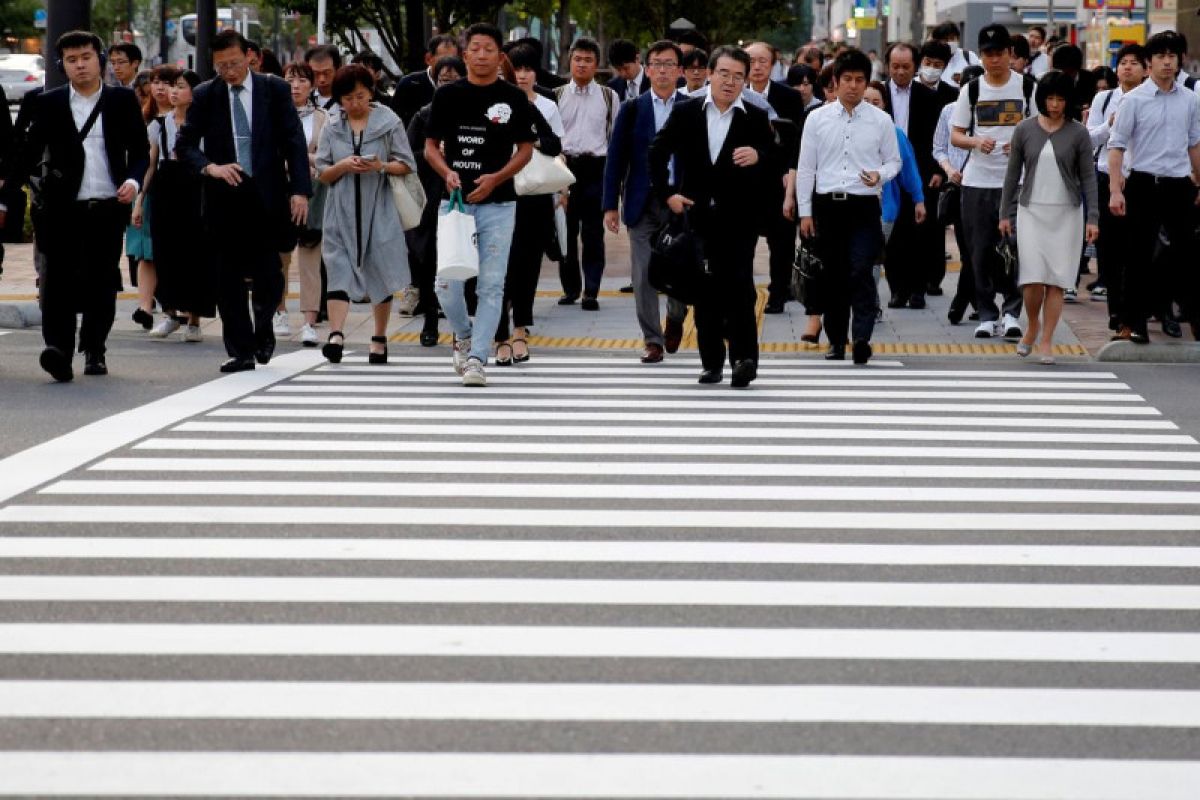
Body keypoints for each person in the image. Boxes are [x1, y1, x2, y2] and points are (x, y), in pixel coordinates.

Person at [6, 30, 148, 381]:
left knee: (101, 282)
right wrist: (10, 186)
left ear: (99, 59)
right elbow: (27, 154)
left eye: (86, 57)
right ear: (62, 65)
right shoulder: (48, 102)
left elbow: (140, 151)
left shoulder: (121, 101)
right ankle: (59, 351)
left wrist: (132, 182)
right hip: (59, 208)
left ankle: (94, 348)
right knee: (56, 283)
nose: (80, 65)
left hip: (106, 206)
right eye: (71, 60)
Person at [176, 29, 311, 373]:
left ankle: (263, 329)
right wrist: (210, 168)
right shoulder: (207, 94)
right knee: (228, 278)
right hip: (224, 196)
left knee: (269, 274)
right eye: (221, 66)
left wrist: (299, 189)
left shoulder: (274, 89)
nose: (229, 71)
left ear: (249, 56)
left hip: (267, 194)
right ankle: (241, 350)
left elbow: (294, 141)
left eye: (234, 63)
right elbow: (185, 144)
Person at [649, 45, 777, 387]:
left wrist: (759, 156)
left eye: (738, 76)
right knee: (705, 290)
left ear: (745, 80)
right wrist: (668, 195)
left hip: (740, 220)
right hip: (697, 218)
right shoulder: (687, 111)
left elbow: (777, 160)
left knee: (739, 287)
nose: (730, 82)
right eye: (724, 73)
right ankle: (711, 363)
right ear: (709, 73)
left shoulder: (755, 116)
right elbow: (656, 152)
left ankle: (744, 359)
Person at [424, 22, 535, 387]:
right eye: (476, 48)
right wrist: (447, 172)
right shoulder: (448, 95)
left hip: (499, 204)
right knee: (445, 284)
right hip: (454, 202)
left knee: (491, 285)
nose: (482, 54)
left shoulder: (514, 97)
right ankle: (463, 333)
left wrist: (496, 179)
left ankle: (476, 359)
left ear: (499, 54)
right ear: (465, 52)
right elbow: (430, 147)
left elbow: (525, 150)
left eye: (489, 48)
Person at [792, 49, 901, 366]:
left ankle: (863, 338)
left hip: (864, 206)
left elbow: (894, 161)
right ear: (835, 82)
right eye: (847, 79)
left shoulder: (881, 120)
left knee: (861, 269)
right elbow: (806, 168)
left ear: (867, 82)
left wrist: (879, 175)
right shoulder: (817, 118)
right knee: (833, 275)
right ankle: (837, 341)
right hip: (827, 206)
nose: (853, 86)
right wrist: (805, 212)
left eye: (860, 80)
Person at [314, 64, 416, 366]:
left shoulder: (389, 121)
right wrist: (344, 165)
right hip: (340, 209)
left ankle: (379, 337)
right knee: (337, 267)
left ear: (370, 93)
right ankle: (336, 335)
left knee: (379, 268)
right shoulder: (332, 126)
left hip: (379, 206)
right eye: (347, 98)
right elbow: (323, 172)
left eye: (359, 96)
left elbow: (407, 163)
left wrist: (380, 166)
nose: (354, 103)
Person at [1000, 71, 1099, 364]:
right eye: (1050, 98)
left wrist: (1092, 218)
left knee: (1057, 280)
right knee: (1031, 279)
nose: (1055, 104)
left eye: (1060, 99)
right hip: (1031, 211)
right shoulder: (1024, 129)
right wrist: (1005, 212)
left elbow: (1088, 178)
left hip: (1067, 213)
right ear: (1041, 99)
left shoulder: (1078, 132)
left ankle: (1046, 340)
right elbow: (1012, 175)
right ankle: (1032, 325)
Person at [1107, 31, 1200, 343]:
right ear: (1149, 63)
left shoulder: (1191, 100)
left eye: (1173, 56)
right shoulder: (1133, 100)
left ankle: (1189, 319)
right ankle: (1134, 324)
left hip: (1179, 185)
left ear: (1180, 60)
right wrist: (1116, 190)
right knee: (1137, 256)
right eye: (1160, 56)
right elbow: (1116, 147)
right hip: (1144, 183)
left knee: (1187, 255)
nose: (1167, 62)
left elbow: (1195, 145)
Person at [604, 40, 690, 363]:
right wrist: (610, 205)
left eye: (670, 64)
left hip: (679, 200)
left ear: (680, 71)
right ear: (647, 68)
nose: (663, 70)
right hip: (641, 200)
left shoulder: (691, 107)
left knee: (681, 269)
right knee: (642, 273)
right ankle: (652, 339)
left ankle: (676, 318)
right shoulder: (632, 109)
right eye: (657, 64)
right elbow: (616, 159)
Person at [950, 23, 1035, 341]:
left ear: (1010, 54)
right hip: (977, 182)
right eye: (987, 54)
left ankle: (1013, 312)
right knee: (979, 251)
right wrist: (975, 141)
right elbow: (956, 134)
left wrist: (1023, 143)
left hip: (1017, 184)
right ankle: (986, 314)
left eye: (999, 53)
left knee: (1015, 249)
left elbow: (1043, 128)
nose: (993, 60)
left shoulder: (1027, 88)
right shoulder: (970, 90)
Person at [494, 44, 564, 366]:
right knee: (496, 269)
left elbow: (553, 143)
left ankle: (520, 329)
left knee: (526, 267)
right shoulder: (466, 105)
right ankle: (498, 336)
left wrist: (529, 141)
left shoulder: (520, 103)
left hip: (530, 197)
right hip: (491, 194)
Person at [143, 68, 214, 343]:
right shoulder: (158, 125)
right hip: (165, 189)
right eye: (172, 86)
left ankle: (194, 320)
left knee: (196, 252)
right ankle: (170, 314)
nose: (174, 92)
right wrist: (139, 202)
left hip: (196, 188)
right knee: (165, 252)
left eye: (181, 86)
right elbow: (150, 165)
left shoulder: (205, 125)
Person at [880, 41, 946, 308]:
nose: (900, 72)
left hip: (921, 172)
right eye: (895, 66)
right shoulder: (877, 95)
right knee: (893, 232)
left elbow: (938, 139)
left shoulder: (929, 97)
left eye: (906, 67)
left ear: (915, 67)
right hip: (886, 173)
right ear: (888, 66)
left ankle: (918, 289)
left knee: (921, 231)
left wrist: (937, 171)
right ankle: (898, 289)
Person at [406, 55, 466, 348]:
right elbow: (407, 156)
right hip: (431, 199)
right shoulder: (424, 115)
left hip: (468, 197)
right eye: (443, 80)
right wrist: (435, 153)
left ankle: (461, 325)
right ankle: (430, 319)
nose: (449, 84)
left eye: (455, 79)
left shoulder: (476, 113)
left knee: (464, 262)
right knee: (431, 261)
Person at [555, 38, 618, 309]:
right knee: (564, 232)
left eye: (588, 60)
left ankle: (591, 291)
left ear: (596, 64)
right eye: (577, 59)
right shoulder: (556, 95)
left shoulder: (608, 96)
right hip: (563, 168)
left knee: (593, 234)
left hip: (596, 168)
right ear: (570, 61)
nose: (582, 64)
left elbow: (615, 137)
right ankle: (570, 289)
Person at [1086, 44, 1146, 330]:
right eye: (1123, 62)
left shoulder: (1150, 99)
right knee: (1109, 249)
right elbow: (1089, 139)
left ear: (1145, 69)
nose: (1127, 67)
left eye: (1134, 62)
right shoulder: (1104, 98)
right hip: (1105, 177)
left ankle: (1139, 311)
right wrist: (1111, 124)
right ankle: (1115, 310)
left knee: (1138, 247)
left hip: (1139, 178)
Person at [745, 41, 806, 314]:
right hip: (743, 182)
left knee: (780, 243)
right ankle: (742, 291)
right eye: (751, 61)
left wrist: (790, 176)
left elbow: (796, 142)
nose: (756, 67)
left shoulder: (788, 97)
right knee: (741, 240)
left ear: (773, 64)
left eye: (762, 61)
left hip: (778, 181)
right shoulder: (734, 94)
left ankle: (778, 293)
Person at [278, 61, 329, 347]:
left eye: (301, 80)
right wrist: (299, 162)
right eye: (290, 80)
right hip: (280, 191)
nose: (295, 86)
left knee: (311, 257)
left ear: (311, 85)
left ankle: (310, 320)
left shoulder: (324, 117)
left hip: (315, 192)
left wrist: (306, 163)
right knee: (280, 257)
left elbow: (329, 155)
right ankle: (280, 311)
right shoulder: (275, 115)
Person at [935, 63, 984, 325]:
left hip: (987, 187)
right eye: (968, 85)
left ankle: (963, 302)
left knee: (980, 250)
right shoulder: (949, 111)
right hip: (959, 187)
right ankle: (974, 302)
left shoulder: (993, 112)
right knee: (968, 250)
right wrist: (949, 169)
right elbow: (938, 147)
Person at [391, 34, 461, 126]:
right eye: (443, 60)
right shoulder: (409, 84)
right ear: (428, 59)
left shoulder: (462, 85)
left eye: (453, 59)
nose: (449, 65)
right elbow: (394, 122)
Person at [932, 21, 979, 87]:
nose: (949, 42)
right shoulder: (931, 60)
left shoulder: (969, 57)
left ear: (958, 39)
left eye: (952, 38)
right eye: (945, 39)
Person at [306, 44, 342, 111]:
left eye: (327, 73)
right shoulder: (304, 100)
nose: (322, 79)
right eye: (316, 74)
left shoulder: (347, 98)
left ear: (338, 68)